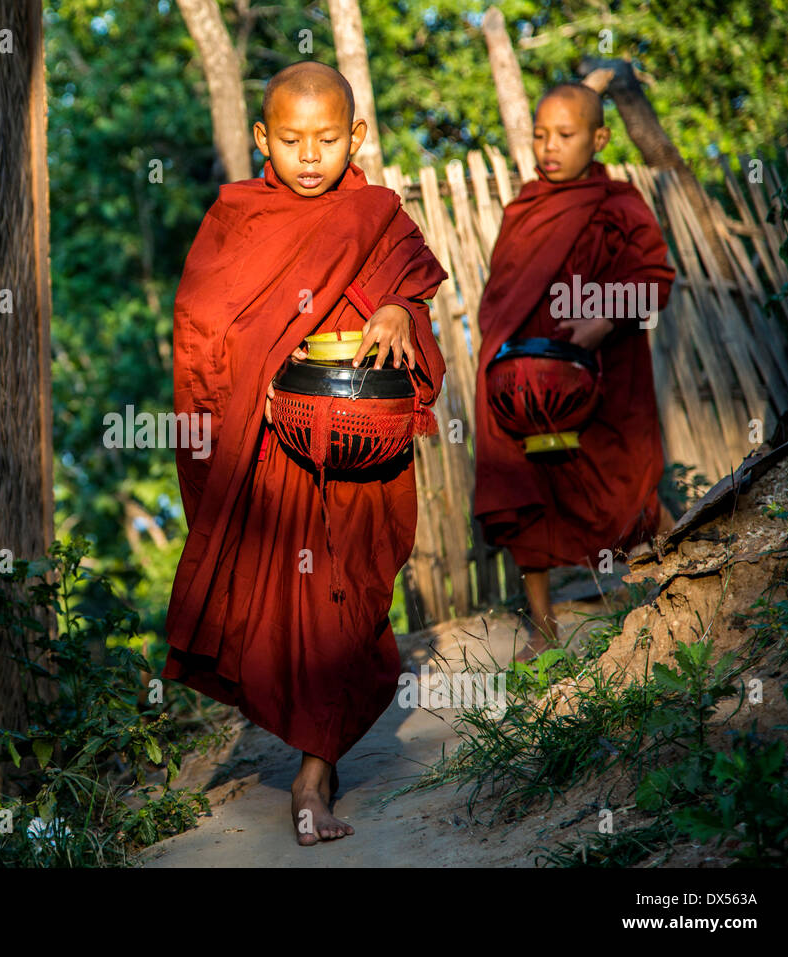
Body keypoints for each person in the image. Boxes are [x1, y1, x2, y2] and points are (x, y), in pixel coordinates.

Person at [163, 61, 448, 845]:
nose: (311, 155)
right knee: (289, 602)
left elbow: (412, 282)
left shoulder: (375, 211)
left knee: (352, 596)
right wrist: (242, 385)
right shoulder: (239, 218)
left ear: (356, 136)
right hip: (275, 452)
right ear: (263, 137)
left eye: (328, 138)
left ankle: (317, 768)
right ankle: (310, 770)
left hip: (365, 451)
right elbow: (203, 328)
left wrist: (396, 307)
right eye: (292, 140)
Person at [472, 84, 677, 659]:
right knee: (528, 491)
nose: (549, 147)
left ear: (599, 138)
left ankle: (685, 586)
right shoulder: (527, 208)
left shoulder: (619, 204)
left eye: (565, 135)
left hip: (601, 376)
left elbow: (656, 281)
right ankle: (542, 629)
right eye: (540, 135)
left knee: (628, 487)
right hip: (526, 385)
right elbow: (502, 295)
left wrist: (606, 319)